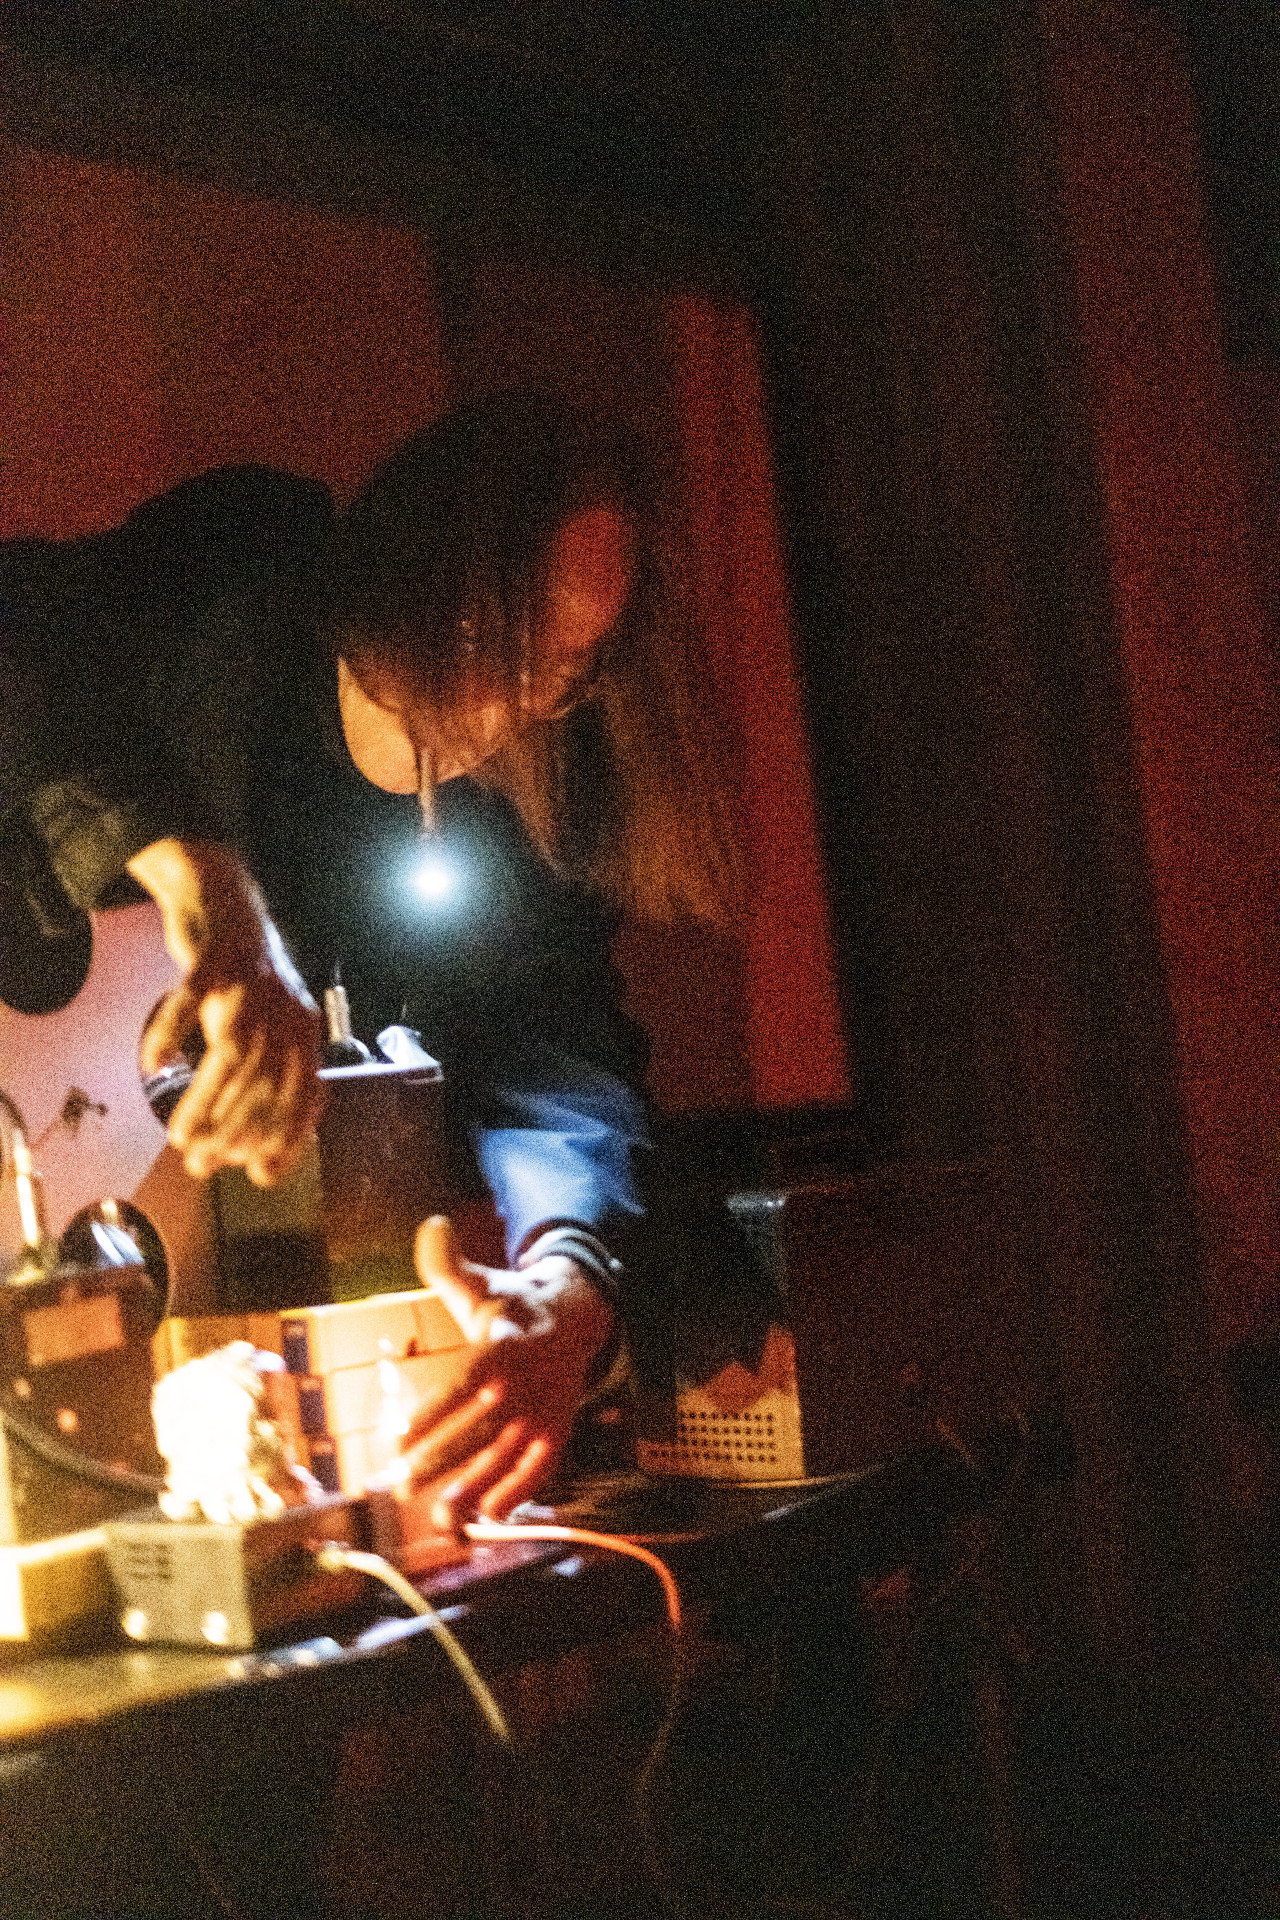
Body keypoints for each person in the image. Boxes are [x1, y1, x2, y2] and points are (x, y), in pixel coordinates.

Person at [0, 393, 737, 1530]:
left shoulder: (516, 818)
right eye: (503, 636)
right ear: (422, 561)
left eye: (568, 670)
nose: (518, 704)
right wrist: (211, 891)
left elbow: (563, 1062)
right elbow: (24, 624)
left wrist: (568, 1285)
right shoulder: (252, 563)